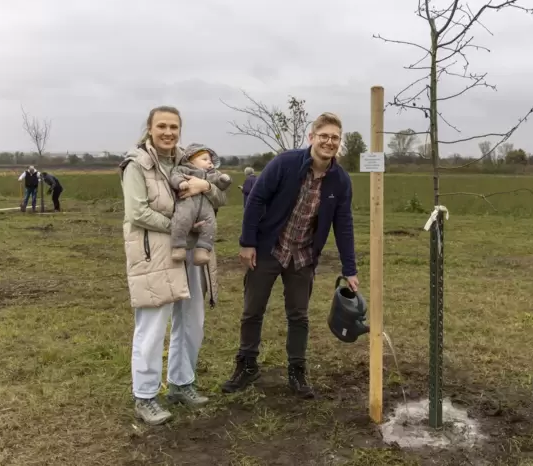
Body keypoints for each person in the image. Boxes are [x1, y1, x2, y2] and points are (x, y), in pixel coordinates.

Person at [221, 112, 359, 399]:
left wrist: (350, 267)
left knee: (299, 315)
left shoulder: (340, 181)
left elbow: (343, 224)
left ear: (339, 143)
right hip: (269, 249)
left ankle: (297, 371)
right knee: (252, 311)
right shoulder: (285, 163)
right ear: (312, 138)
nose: (329, 142)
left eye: (334, 138)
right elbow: (257, 199)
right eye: (324, 136)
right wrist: (247, 242)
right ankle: (246, 365)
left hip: (303, 256)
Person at [119, 106, 227, 426]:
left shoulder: (188, 161)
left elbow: (220, 198)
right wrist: (181, 227)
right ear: (150, 129)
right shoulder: (136, 164)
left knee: (192, 319)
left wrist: (206, 187)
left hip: (191, 255)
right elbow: (137, 213)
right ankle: (146, 396)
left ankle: (182, 383)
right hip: (154, 255)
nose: (168, 132)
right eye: (162, 126)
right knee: (153, 325)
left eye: (174, 127)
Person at [169, 144, 232, 265]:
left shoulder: (212, 175)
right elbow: (175, 175)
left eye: (210, 160)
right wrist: (180, 182)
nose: (209, 162)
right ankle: (178, 246)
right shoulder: (184, 169)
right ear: (190, 161)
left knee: (210, 225)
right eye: (204, 159)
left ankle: (203, 249)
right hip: (188, 205)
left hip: (206, 209)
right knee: (182, 218)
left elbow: (221, 190)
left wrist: (223, 180)